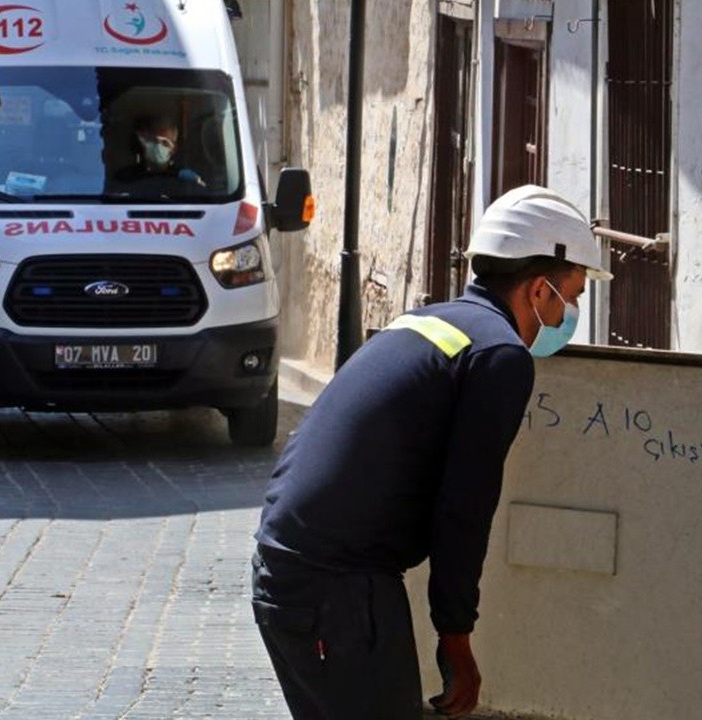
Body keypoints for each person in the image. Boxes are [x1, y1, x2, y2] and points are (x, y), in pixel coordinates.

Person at [251, 185, 613, 719]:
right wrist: (457, 634)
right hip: (336, 592)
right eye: (573, 295)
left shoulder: (426, 322)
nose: (570, 312)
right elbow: (464, 507)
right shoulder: (501, 355)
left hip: (294, 573)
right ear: (540, 290)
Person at [115, 114, 204, 187]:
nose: (158, 146)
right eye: (154, 141)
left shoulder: (186, 178)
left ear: (174, 149)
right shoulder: (125, 177)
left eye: (165, 143)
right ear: (144, 143)